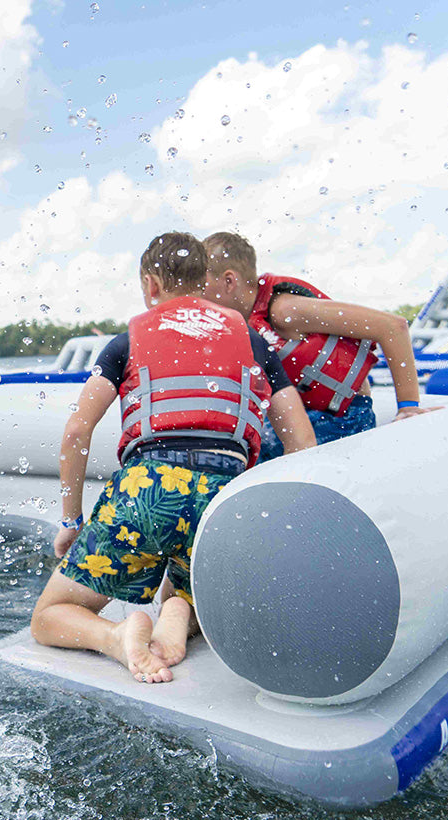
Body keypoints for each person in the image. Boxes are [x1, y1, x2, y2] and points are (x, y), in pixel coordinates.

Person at [31, 232, 317, 683]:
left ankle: (116, 636)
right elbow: (302, 441)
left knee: (50, 617)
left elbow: (77, 431)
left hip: (147, 492)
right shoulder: (252, 340)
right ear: (205, 279)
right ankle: (181, 609)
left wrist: (72, 520)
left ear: (151, 284)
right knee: (207, 592)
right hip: (225, 498)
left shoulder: (126, 341)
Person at [201, 232, 429, 460]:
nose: (195, 295)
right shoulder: (243, 322)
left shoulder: (286, 310)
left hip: (344, 419)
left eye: (200, 285)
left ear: (229, 281)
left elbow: (393, 327)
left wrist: (408, 407)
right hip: (305, 416)